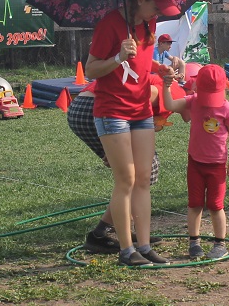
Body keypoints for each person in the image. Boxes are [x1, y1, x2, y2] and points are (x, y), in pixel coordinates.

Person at [85, 0, 180, 267]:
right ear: (141, 0)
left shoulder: (150, 24)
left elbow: (141, 64)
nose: (159, 13)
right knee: (125, 179)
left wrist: (160, 69)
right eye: (156, 6)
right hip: (112, 111)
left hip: (141, 111)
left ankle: (145, 246)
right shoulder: (110, 24)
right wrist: (117, 58)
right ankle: (126, 251)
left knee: (143, 178)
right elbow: (90, 70)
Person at [68, 76, 163, 253]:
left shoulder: (154, 79)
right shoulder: (165, 89)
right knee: (142, 172)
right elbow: (132, 105)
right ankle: (101, 234)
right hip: (98, 110)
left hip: (83, 107)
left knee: (136, 173)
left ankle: (123, 230)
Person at [161, 64, 229, 260]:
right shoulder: (193, 101)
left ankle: (220, 243)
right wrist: (166, 86)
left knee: (215, 205)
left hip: (217, 165)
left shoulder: (227, 109)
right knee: (195, 204)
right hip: (195, 163)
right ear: (196, 87)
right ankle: (194, 242)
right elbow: (170, 106)